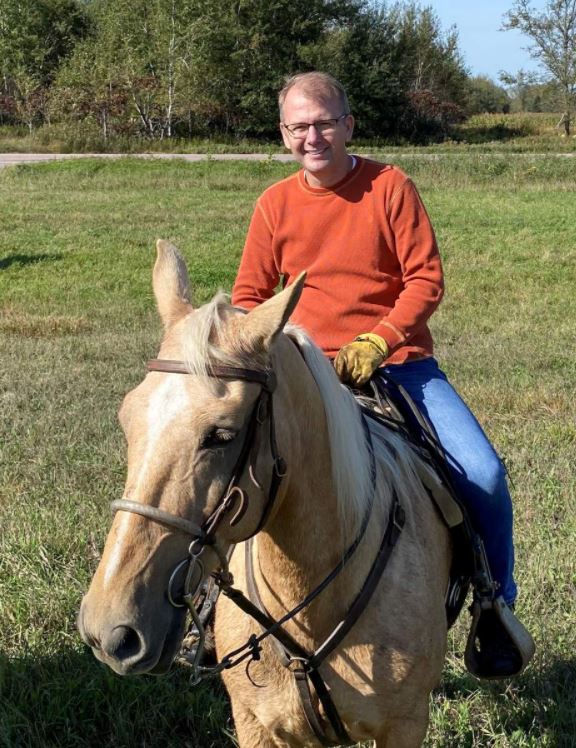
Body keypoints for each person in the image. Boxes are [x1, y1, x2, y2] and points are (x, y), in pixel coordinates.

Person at [231, 71, 525, 677]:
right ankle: (214, 609)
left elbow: (425, 279)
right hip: (304, 369)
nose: (313, 136)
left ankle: (495, 606)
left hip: (398, 366)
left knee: (485, 475)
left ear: (348, 125)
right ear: (284, 134)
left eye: (324, 122)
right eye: (299, 126)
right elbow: (249, 296)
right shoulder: (274, 204)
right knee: (230, 462)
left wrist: (379, 339)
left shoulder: (390, 187)